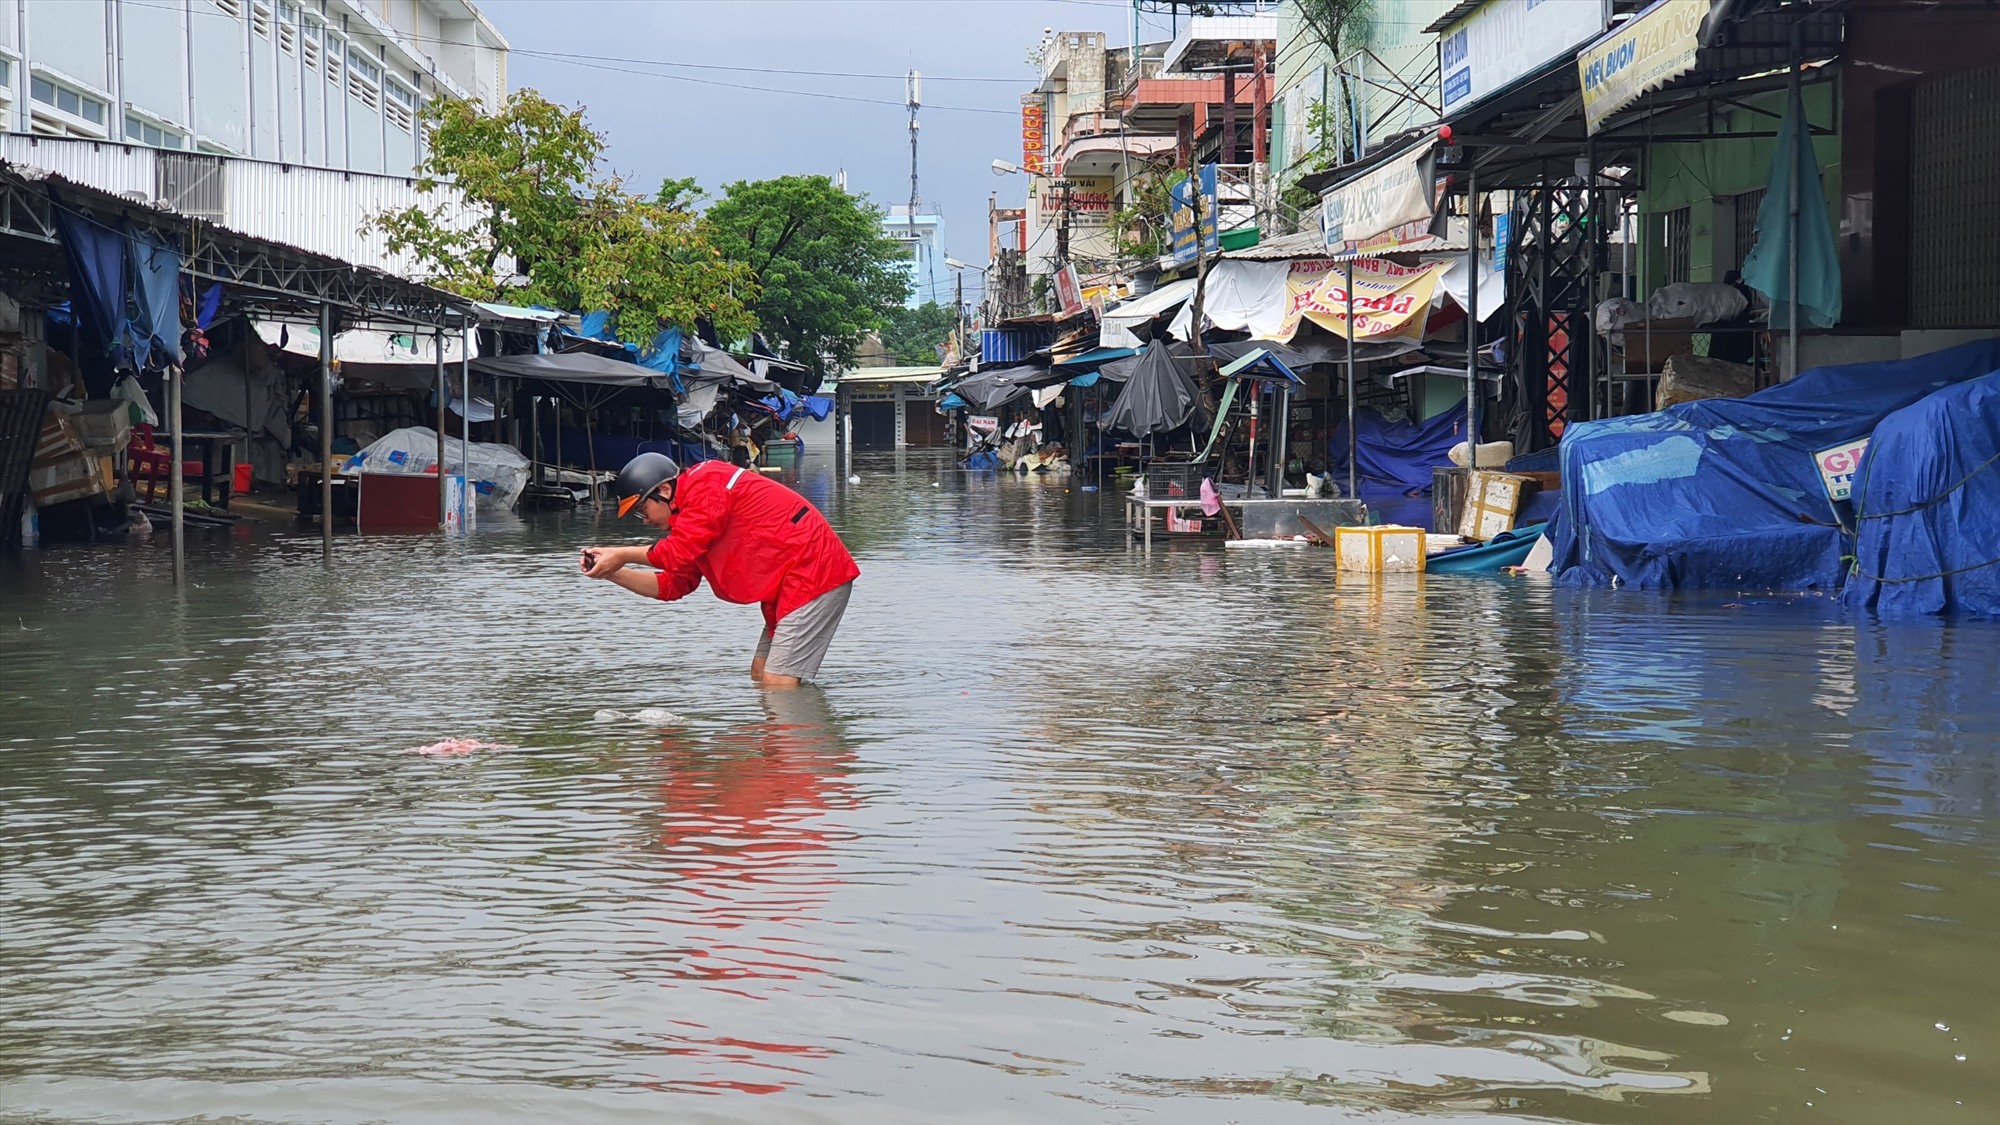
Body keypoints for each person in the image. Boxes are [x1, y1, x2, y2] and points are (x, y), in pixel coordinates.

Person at [582, 453, 859, 688]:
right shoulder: (687, 519)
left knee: (778, 683)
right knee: (760, 675)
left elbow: (675, 553)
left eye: (643, 510)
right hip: (791, 583)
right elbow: (673, 585)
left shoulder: (707, 485)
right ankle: (774, 749)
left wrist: (621, 554)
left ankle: (797, 748)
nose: (644, 521)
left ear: (664, 491)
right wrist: (611, 571)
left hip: (815, 573)